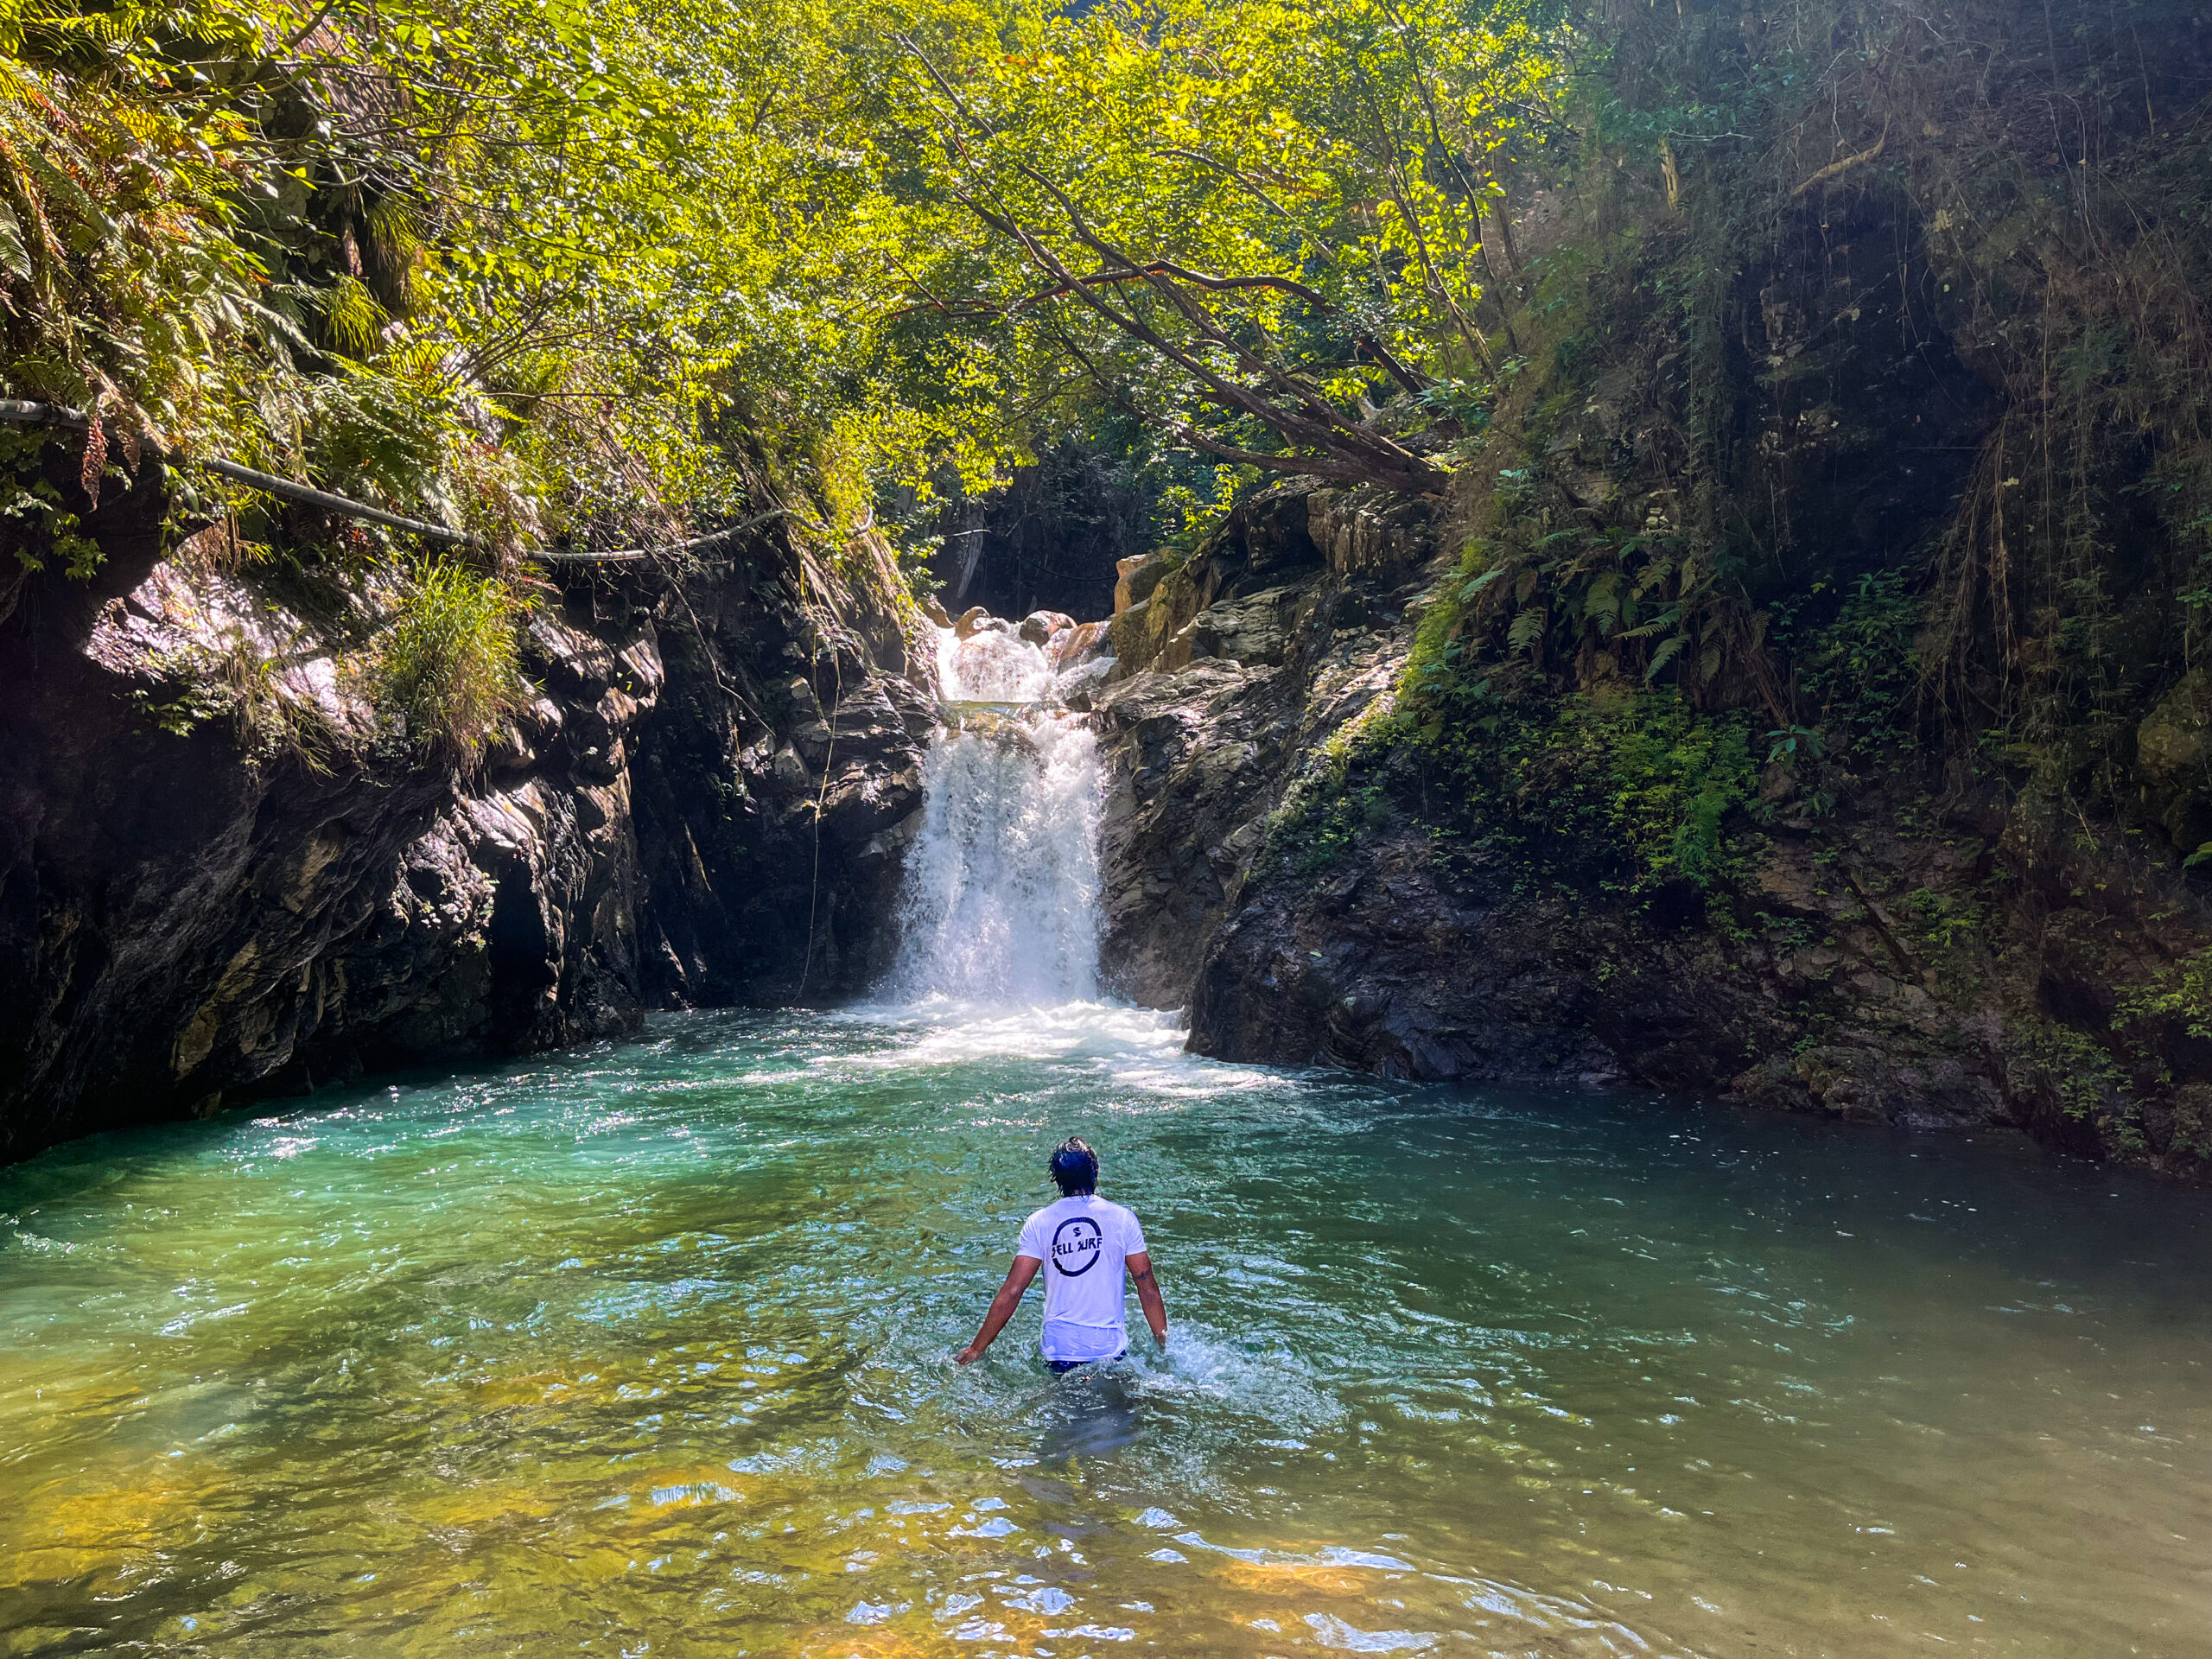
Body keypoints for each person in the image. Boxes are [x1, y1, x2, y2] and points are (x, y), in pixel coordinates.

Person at [956, 1136, 1167, 1372]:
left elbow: (1013, 1290)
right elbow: (1146, 1284)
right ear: (1095, 1172)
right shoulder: (1122, 1218)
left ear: (1056, 1178)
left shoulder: (1040, 1222)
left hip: (1059, 1351)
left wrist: (976, 1349)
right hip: (1109, 1351)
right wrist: (1162, 1343)